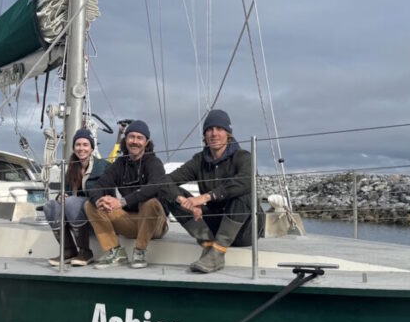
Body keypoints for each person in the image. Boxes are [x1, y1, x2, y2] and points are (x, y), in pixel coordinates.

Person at [164, 109, 258, 274]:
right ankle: (208, 245)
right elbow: (166, 181)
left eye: (219, 129)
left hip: (243, 231)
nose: (214, 134)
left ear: (228, 134)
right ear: (205, 135)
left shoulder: (242, 157)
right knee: (167, 192)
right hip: (212, 228)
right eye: (209, 129)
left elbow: (247, 179)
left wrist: (207, 197)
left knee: (244, 190)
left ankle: (217, 254)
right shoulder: (199, 160)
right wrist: (185, 203)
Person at [84, 120, 169, 269]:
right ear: (126, 140)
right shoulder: (120, 164)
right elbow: (98, 186)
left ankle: (140, 252)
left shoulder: (153, 162)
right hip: (130, 221)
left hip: (155, 224)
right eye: (131, 137)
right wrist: (99, 200)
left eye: (139, 138)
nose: (134, 141)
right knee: (90, 205)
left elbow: (154, 187)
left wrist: (121, 202)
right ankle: (116, 252)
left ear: (146, 142)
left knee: (150, 203)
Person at [43, 128, 107, 267]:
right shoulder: (72, 168)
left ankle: (85, 251)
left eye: (85, 145)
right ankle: (68, 250)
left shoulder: (103, 166)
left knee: (71, 202)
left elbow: (107, 194)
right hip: (74, 217)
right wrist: (62, 196)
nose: (81, 148)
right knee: (50, 206)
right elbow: (66, 191)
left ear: (91, 148)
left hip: (94, 214)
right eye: (78, 145)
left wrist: (72, 200)